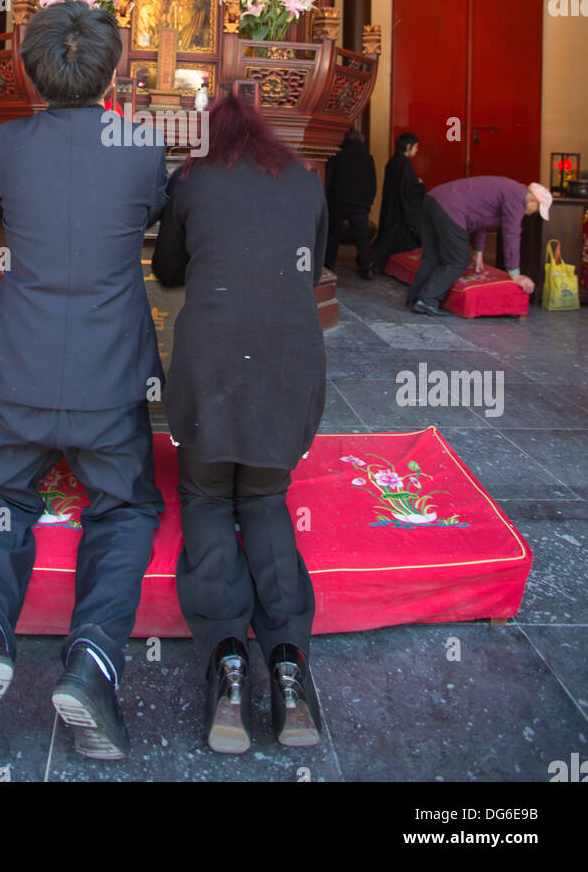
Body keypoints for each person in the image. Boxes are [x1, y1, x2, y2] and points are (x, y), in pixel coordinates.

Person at [0, 0, 167, 765]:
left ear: (30, 67)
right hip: (109, 381)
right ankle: (92, 665)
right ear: (114, 70)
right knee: (125, 507)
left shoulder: (6, 145)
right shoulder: (143, 147)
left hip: (19, 374)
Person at [152, 92, 327, 754]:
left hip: (211, 359)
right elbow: (311, 267)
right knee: (263, 497)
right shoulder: (305, 182)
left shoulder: (191, 178)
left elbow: (168, 272)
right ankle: (287, 667)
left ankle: (228, 661)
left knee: (202, 494)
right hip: (291, 360)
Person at [408, 176, 552, 316]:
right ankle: (427, 300)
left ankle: (415, 299)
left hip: (433, 200)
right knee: (458, 261)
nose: (530, 214)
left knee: (433, 256)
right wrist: (515, 273)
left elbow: (481, 221)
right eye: (536, 210)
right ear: (532, 199)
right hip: (450, 207)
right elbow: (511, 235)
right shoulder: (517, 198)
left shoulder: (509, 190)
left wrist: (478, 251)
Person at [324, 125, 377, 279]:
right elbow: (372, 182)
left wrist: (327, 197)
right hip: (360, 202)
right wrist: (369, 201)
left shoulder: (337, 154)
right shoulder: (367, 157)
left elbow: (329, 178)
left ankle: (329, 264)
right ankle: (367, 267)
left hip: (338, 200)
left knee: (333, 233)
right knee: (361, 235)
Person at [371, 132, 425, 270]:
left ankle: (373, 262)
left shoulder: (394, 161)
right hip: (400, 211)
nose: (417, 149)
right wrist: (420, 185)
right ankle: (373, 262)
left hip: (391, 206)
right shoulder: (404, 163)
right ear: (408, 146)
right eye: (416, 146)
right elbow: (408, 190)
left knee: (388, 237)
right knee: (394, 239)